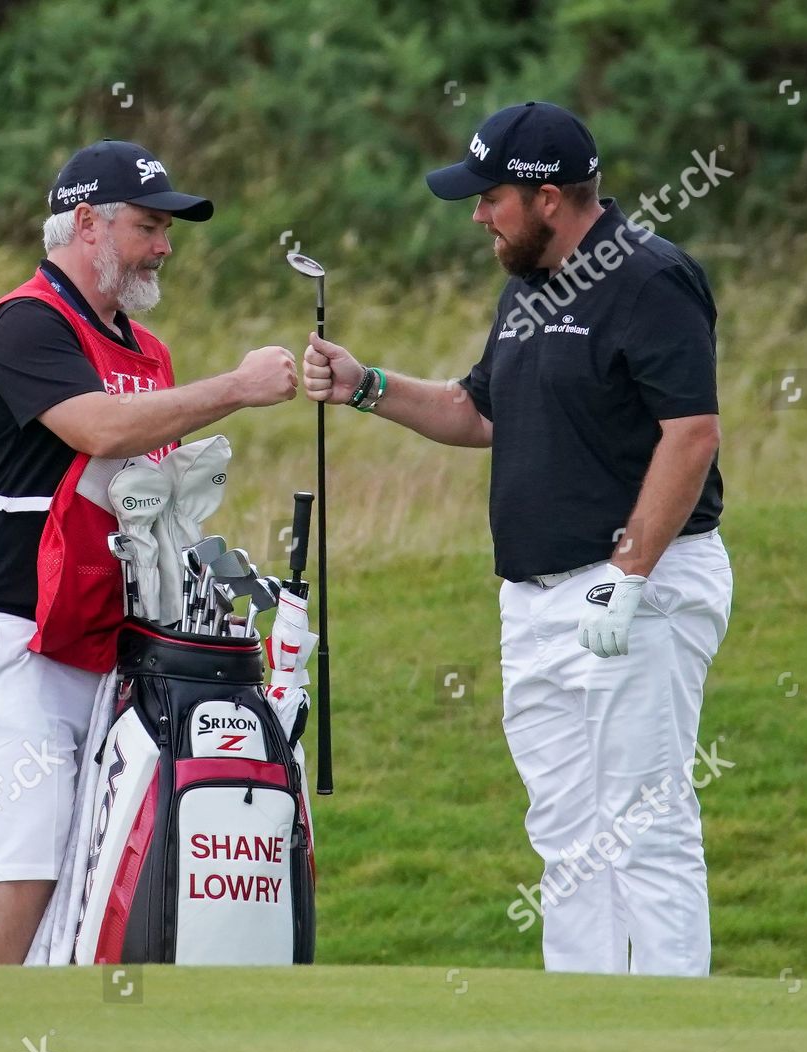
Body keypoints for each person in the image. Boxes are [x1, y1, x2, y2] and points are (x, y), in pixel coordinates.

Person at [302, 103, 732, 976]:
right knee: (567, 836)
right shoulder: (528, 287)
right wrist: (365, 384)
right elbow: (477, 410)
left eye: (489, 196)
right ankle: (583, 1031)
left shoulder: (650, 279)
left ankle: (676, 1039)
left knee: (643, 823)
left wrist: (631, 571)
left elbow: (691, 433)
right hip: (534, 599)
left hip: (634, 585)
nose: (476, 214)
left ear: (545, 198)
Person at [0, 139, 297, 964]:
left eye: (167, 229)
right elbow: (95, 426)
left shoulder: (146, 348)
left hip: (104, 633)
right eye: (148, 225)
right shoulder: (25, 323)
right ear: (86, 222)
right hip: (16, 624)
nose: (164, 244)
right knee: (28, 853)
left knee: (91, 852)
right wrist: (235, 388)